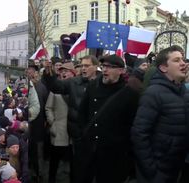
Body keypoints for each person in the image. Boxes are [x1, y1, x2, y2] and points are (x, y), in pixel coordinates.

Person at [74, 54, 140, 183]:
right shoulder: (93, 87)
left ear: (121, 71)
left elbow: (131, 125)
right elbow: (82, 114)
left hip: (113, 154)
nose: (105, 70)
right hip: (88, 148)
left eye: (110, 67)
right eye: (103, 66)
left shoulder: (130, 94)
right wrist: (81, 136)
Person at [131, 45, 189, 183]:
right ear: (163, 68)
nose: (183, 63)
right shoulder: (153, 93)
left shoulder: (183, 91)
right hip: (157, 171)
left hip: (176, 167)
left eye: (182, 59)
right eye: (176, 60)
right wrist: (151, 170)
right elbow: (139, 134)